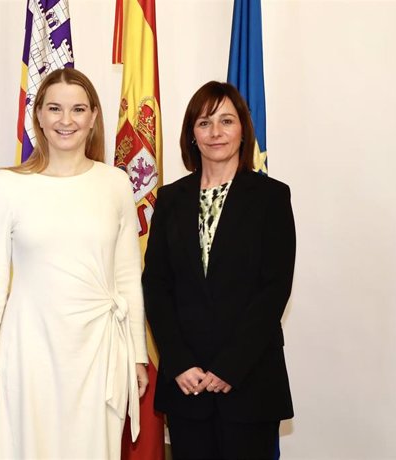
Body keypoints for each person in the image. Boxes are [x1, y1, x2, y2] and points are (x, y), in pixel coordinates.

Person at [0, 68, 149, 459]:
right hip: (29, 350)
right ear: (38, 116)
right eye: (55, 108)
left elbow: (127, 279)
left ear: (94, 117)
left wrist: (137, 354)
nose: (66, 120)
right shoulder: (8, 185)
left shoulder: (116, 183)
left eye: (78, 109)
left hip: (98, 353)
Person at [143, 81, 296, 460]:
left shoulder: (272, 197)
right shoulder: (170, 199)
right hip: (186, 384)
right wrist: (178, 362)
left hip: (249, 381)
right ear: (191, 135)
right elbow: (156, 286)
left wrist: (229, 367)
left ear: (243, 129)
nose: (215, 132)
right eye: (204, 122)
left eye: (226, 121)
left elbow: (274, 289)